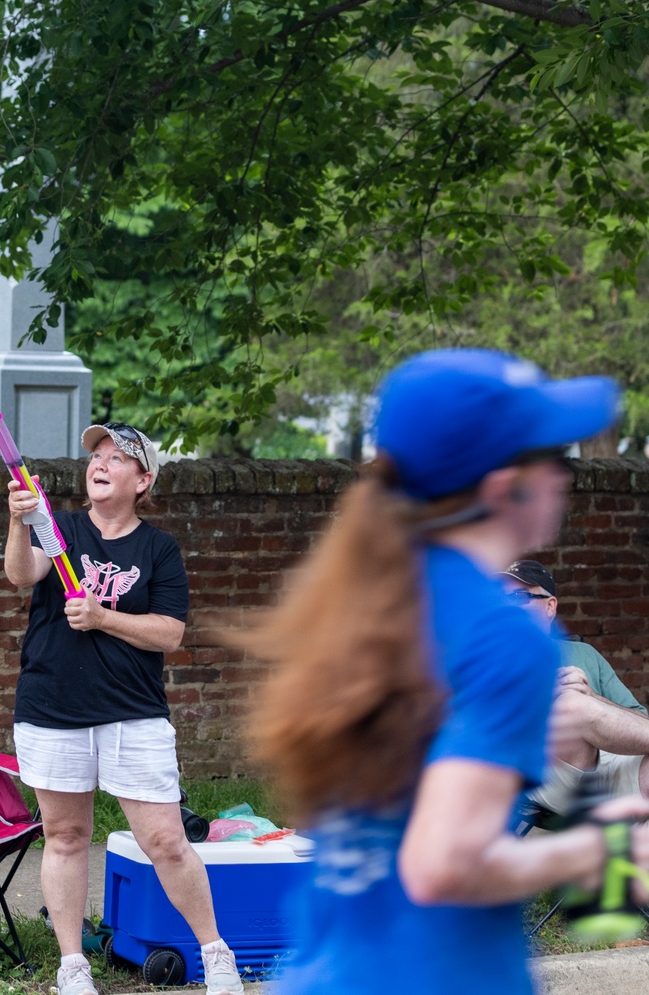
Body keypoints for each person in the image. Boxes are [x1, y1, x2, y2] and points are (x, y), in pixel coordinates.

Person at [245, 348, 649, 995]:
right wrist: (599, 851)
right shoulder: (504, 634)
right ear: (501, 486)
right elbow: (444, 866)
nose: (564, 476)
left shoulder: (370, 599)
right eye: (548, 459)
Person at [4, 422, 243, 995]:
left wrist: (103, 617)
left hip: (132, 714)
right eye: (97, 456)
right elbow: (22, 575)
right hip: (52, 706)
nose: (101, 463)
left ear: (144, 480)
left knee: (165, 841)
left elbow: (170, 634)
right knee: (63, 835)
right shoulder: (57, 528)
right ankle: (73, 967)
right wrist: (19, 521)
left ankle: (216, 955)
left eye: (118, 457)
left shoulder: (157, 548)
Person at [502, 559, 649, 815]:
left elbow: (639, 722)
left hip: (606, 773)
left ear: (550, 606)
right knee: (571, 705)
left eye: (519, 596)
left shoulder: (584, 654)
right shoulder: (485, 658)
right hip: (535, 774)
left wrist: (594, 697)